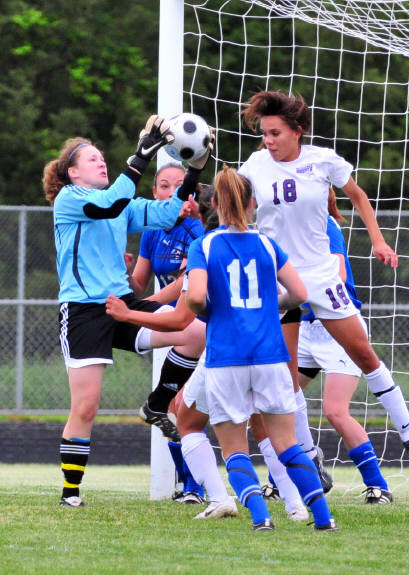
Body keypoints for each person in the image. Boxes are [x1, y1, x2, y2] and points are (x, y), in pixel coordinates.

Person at [239, 91, 409, 475]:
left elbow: (358, 197)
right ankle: (311, 458)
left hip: (321, 277)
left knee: (364, 354)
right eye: (264, 133)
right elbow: (234, 201)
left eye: (275, 133)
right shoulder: (255, 165)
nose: (268, 141)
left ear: (297, 131)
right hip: (279, 280)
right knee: (285, 376)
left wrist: (378, 240)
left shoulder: (323, 160)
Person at [42, 115, 210, 507]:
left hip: (122, 305)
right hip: (83, 312)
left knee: (196, 333)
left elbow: (166, 214)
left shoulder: (120, 204)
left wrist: (194, 172)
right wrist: (140, 157)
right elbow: (109, 204)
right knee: (86, 406)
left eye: (103, 157)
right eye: (92, 159)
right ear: (72, 172)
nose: (101, 162)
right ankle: (70, 493)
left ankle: (157, 404)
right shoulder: (71, 200)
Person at [185, 166, 337, 531]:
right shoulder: (268, 245)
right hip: (270, 355)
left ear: (215, 204)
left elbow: (195, 298)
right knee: (287, 443)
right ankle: (323, 519)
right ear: (253, 203)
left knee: (234, 447)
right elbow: (299, 294)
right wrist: (271, 306)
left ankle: (261, 518)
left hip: (226, 357)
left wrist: (210, 310)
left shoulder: (204, 245)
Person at [296, 189, 392, 503]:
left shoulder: (324, 225)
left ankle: (378, 486)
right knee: (278, 401)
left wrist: (293, 290)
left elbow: (335, 277)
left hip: (336, 328)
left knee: (335, 411)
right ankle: (301, 467)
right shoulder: (287, 228)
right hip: (304, 328)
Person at [125, 162, 207, 504]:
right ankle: (190, 485)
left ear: (192, 195)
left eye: (179, 185)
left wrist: (138, 310)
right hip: (169, 323)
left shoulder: (198, 230)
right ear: (155, 193)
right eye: (164, 185)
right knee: (173, 406)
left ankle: (196, 487)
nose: (172, 191)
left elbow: (185, 285)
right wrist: (126, 273)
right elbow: (139, 284)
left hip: (198, 324)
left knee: (186, 404)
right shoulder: (152, 231)